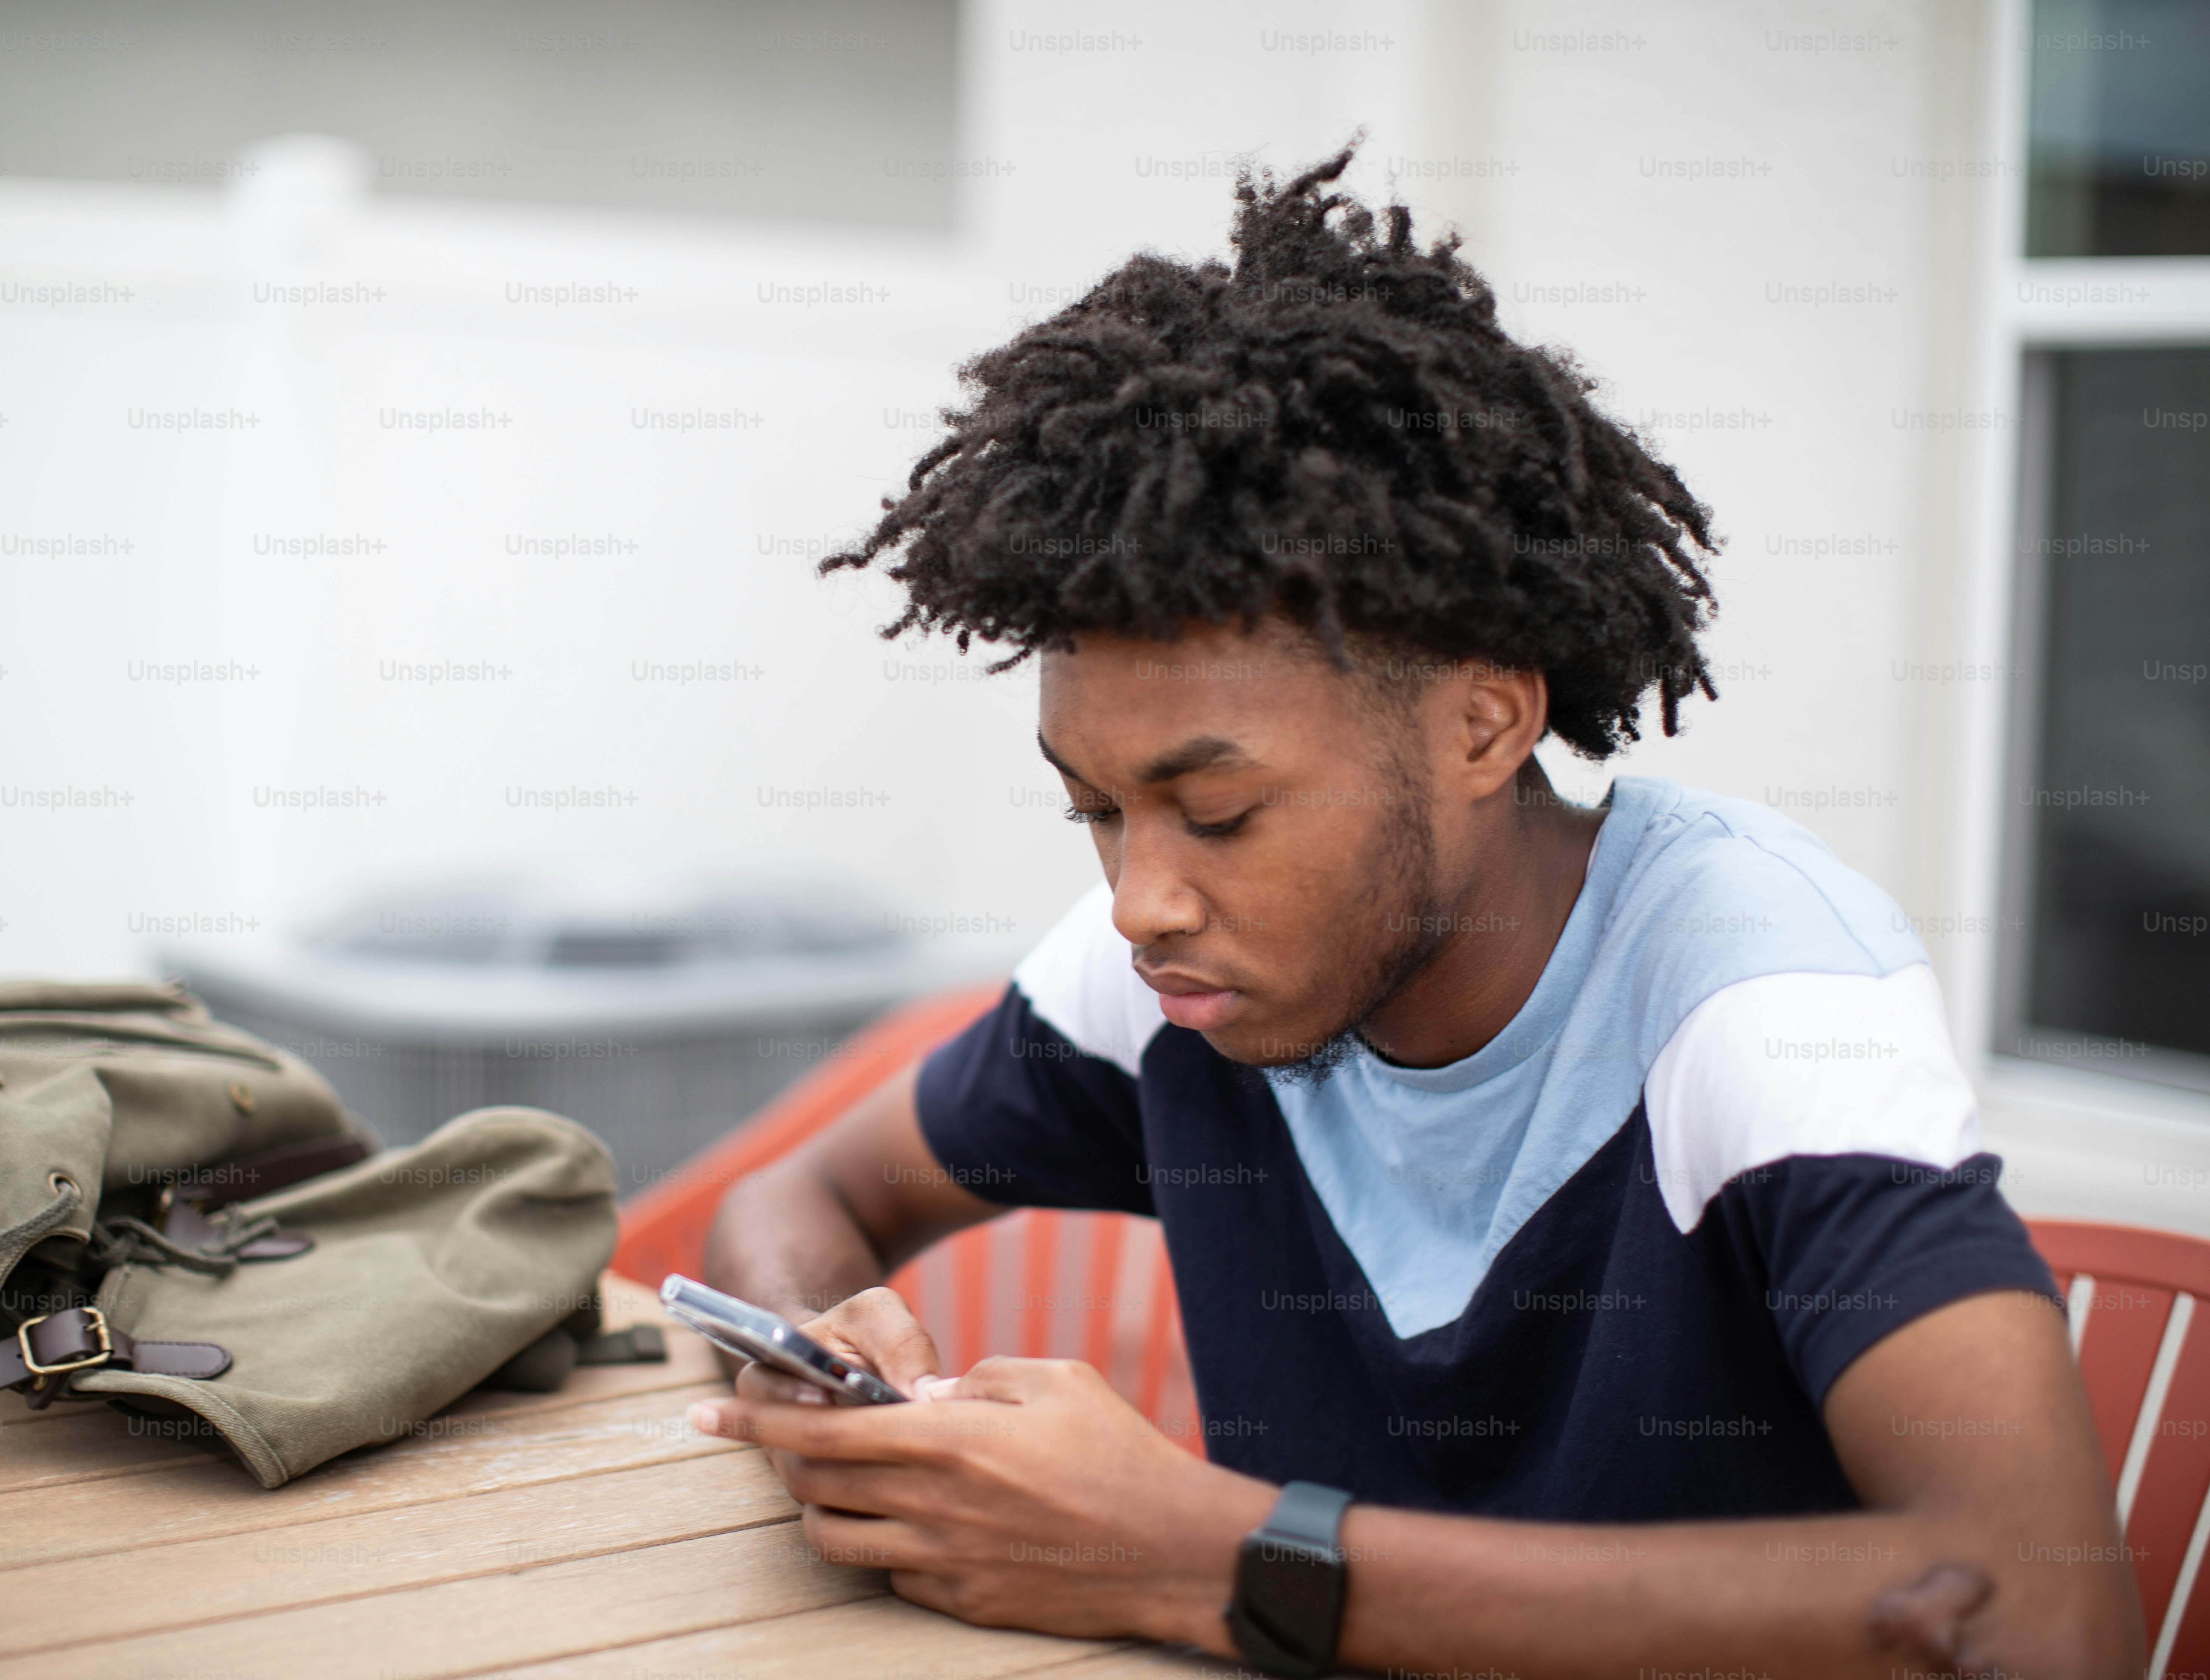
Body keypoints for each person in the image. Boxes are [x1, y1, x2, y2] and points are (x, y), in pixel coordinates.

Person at [693, 149, 2139, 1678]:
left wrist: (1210, 1554)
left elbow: (2036, 1610)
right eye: (1095, 807)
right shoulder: (1180, 972)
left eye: (1223, 809)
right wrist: (827, 1360)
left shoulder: (1755, 996)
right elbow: (795, 1201)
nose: (1139, 897)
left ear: (1483, 726)